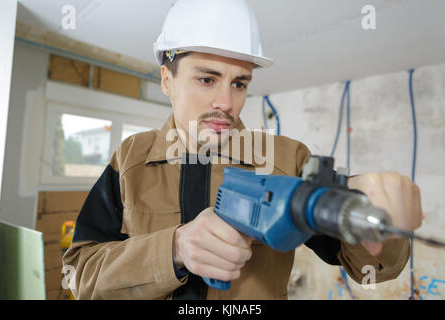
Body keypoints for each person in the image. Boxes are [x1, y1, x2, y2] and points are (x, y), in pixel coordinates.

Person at [63, 0, 422, 300]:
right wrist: (173, 249)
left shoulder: (286, 160)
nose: (226, 103)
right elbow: (78, 276)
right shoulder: (129, 159)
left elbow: (369, 270)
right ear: (167, 80)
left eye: (239, 83)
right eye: (207, 79)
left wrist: (376, 223)